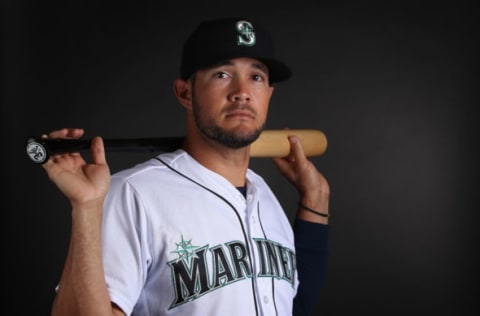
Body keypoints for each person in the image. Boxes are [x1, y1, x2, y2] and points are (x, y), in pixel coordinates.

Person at [42, 17, 330, 316]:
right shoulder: (134, 194)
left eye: (256, 77)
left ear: (269, 93)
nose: (242, 91)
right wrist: (87, 207)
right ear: (185, 93)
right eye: (221, 74)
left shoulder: (266, 198)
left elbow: (296, 305)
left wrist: (316, 198)